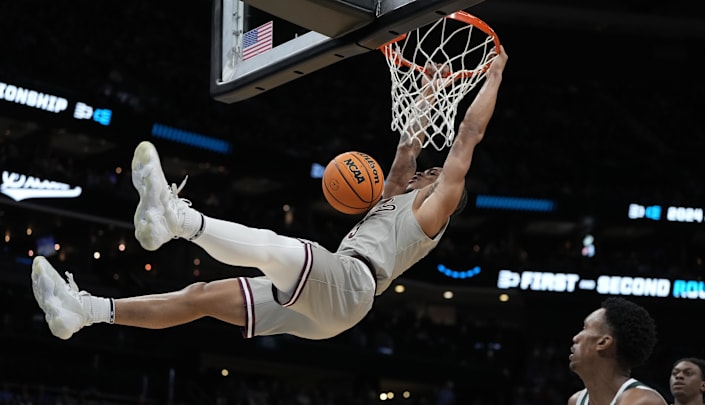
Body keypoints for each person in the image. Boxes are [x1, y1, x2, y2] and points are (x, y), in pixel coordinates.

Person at [30, 46, 509, 341]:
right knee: (199, 296)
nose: (425, 169)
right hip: (330, 301)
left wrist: (492, 78)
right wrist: (427, 94)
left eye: (433, 172)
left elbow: (466, 136)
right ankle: (86, 312)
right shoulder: (395, 195)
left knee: (283, 249)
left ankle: (177, 219)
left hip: (350, 285)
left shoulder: (434, 211)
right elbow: (407, 148)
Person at [568, 296, 668, 405]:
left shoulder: (642, 401)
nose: (575, 338)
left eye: (585, 328)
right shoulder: (575, 401)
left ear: (603, 342)